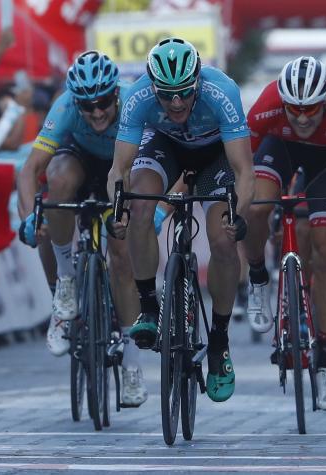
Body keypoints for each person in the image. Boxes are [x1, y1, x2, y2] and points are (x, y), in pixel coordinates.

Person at [106, 37, 254, 404]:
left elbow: (244, 170)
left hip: (215, 156)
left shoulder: (223, 93)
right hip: (165, 147)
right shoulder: (138, 97)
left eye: (185, 93)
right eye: (166, 94)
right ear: (152, 87)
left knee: (222, 240)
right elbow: (118, 169)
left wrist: (240, 215)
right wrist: (118, 210)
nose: (176, 103)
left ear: (198, 82)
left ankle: (219, 339)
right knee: (139, 207)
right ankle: (149, 305)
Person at [16, 51, 148, 407]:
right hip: (77, 159)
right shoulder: (64, 108)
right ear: (76, 102)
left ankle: (132, 365)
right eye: (87, 105)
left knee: (121, 257)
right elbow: (29, 171)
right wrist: (30, 218)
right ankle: (66, 283)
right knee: (54, 189)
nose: (96, 112)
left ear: (115, 94)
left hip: (118, 168)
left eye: (104, 101)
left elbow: (148, 167)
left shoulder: (133, 104)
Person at [245, 56, 326, 410]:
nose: (302, 118)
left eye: (311, 109)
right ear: (282, 102)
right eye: (294, 109)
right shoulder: (266, 107)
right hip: (278, 150)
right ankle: (258, 279)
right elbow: (241, 162)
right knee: (256, 208)